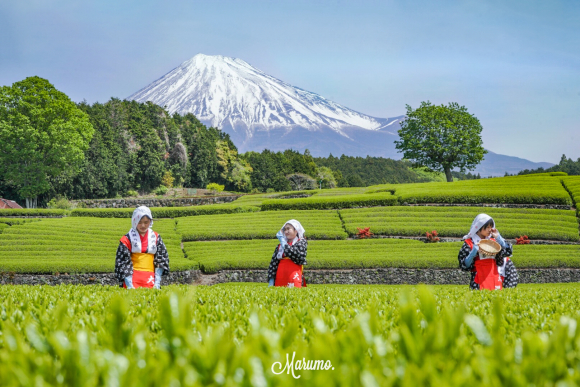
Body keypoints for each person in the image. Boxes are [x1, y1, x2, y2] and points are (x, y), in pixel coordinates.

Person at [458, 213, 518, 290]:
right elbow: (465, 265)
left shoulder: (493, 242)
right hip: (478, 280)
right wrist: (473, 253)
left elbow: (507, 252)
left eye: (491, 227)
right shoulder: (469, 243)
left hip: (494, 277)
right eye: (487, 227)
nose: (490, 230)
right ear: (479, 227)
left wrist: (499, 238)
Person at [115, 206, 169, 289]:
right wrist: (129, 284)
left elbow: (161, 259)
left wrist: (157, 281)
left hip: (150, 278)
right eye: (140, 222)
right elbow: (123, 262)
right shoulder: (127, 239)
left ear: (150, 221)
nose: (143, 225)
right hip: (133, 277)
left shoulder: (156, 237)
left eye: (146, 222)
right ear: (134, 221)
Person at [267, 220, 307, 287]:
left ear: (296, 230)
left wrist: (283, 242)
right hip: (280, 276)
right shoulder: (280, 246)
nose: (286, 231)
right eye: (285, 229)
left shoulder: (301, 243)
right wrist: (271, 279)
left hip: (294, 275)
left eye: (288, 229)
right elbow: (273, 263)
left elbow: (294, 254)